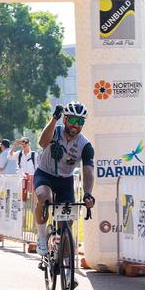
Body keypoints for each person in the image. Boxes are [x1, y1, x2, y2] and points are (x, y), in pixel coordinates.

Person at [34, 102, 95, 260]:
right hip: (45, 174)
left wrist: (88, 193)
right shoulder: (55, 132)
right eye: (73, 120)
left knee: (66, 224)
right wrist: (54, 119)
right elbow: (42, 143)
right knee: (43, 197)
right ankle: (41, 237)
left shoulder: (85, 145)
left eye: (80, 122)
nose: (76, 125)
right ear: (65, 119)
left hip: (65, 182)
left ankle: (67, 269)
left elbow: (88, 171)